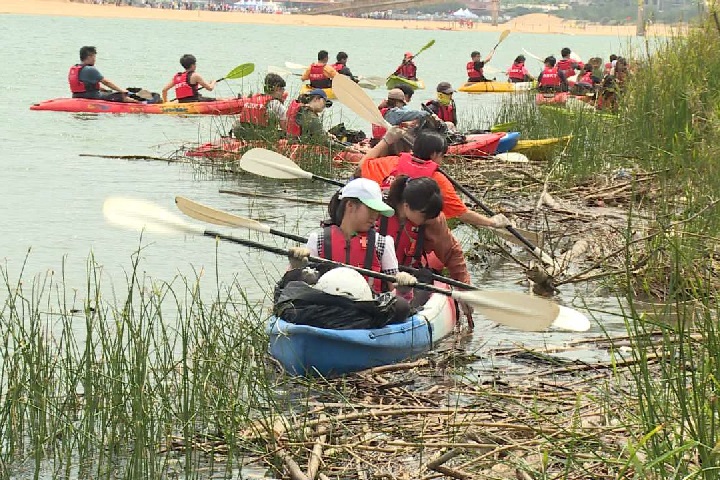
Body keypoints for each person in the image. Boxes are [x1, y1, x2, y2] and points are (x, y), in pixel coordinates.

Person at [360, 130, 512, 231]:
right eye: (442, 156)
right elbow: (462, 213)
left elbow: (362, 166)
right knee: (440, 225)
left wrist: (386, 141)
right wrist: (492, 222)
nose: (442, 160)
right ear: (434, 154)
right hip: (412, 233)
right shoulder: (437, 179)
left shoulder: (390, 163)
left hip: (379, 226)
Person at [287, 178, 417, 294]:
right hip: (325, 306)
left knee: (402, 307)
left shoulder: (382, 243)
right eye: (370, 209)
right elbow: (295, 286)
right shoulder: (317, 240)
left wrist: (403, 288)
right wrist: (295, 266)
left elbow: (394, 290)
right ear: (350, 205)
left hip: (368, 309)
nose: (375, 216)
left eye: (377, 211)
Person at [381, 176, 470, 285]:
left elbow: (451, 253)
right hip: (376, 272)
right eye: (425, 215)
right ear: (406, 206)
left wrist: (464, 286)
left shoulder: (432, 219)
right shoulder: (377, 211)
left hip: (409, 277)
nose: (429, 219)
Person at [68, 46, 140, 103]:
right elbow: (106, 82)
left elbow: (86, 84)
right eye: (94, 57)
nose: (94, 59)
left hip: (76, 95)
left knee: (108, 92)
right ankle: (138, 103)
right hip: (91, 96)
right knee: (120, 95)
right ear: (89, 57)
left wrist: (104, 90)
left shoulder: (75, 68)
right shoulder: (90, 69)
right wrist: (122, 91)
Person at [232, 73, 287, 139]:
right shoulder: (277, 105)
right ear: (276, 88)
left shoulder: (253, 99)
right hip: (262, 136)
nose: (284, 91)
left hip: (243, 134)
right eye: (282, 89)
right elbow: (284, 127)